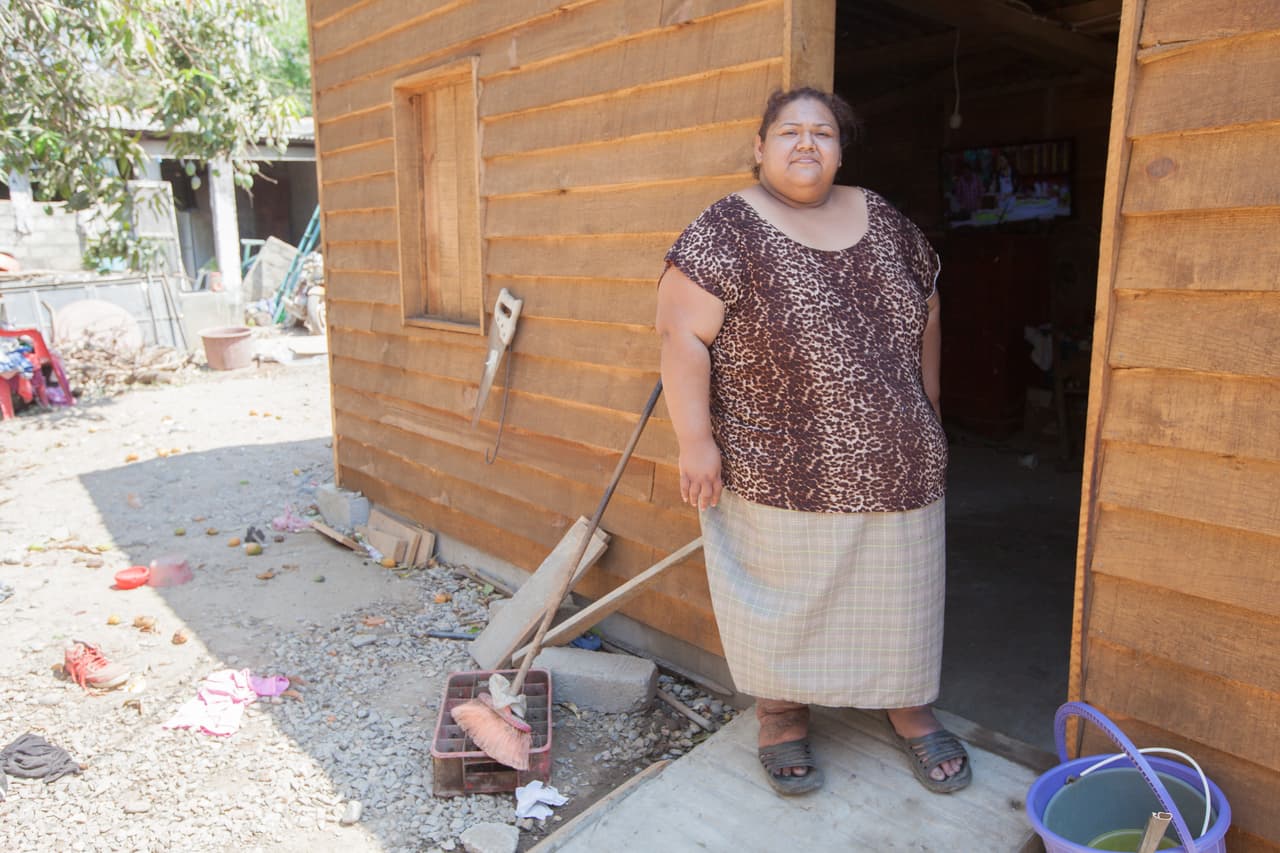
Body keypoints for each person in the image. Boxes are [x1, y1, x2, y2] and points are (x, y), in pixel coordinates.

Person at [655, 87, 970, 797]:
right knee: (785, 598)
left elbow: (929, 311)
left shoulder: (884, 219)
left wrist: (931, 409)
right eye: (789, 132)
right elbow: (681, 334)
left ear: (839, 149)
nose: (806, 144)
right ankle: (782, 711)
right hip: (779, 463)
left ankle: (907, 702)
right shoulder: (727, 227)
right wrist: (694, 439)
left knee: (901, 592)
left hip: (898, 461)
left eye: (822, 133)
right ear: (759, 148)